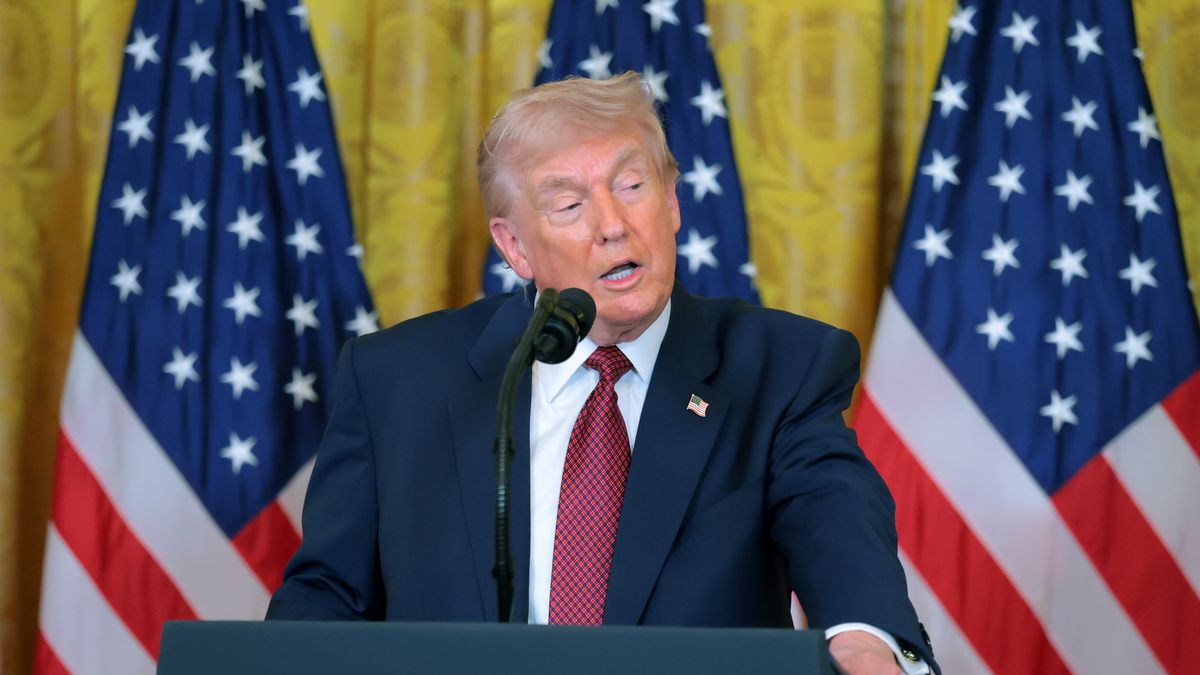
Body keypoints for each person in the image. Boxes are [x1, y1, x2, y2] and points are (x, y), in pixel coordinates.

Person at [267, 72, 937, 675]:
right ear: (515, 246)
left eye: (631, 185)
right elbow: (324, 601)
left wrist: (863, 638)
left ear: (671, 202)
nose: (613, 225)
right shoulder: (397, 381)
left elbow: (839, 524)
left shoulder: (779, 368)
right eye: (569, 205)